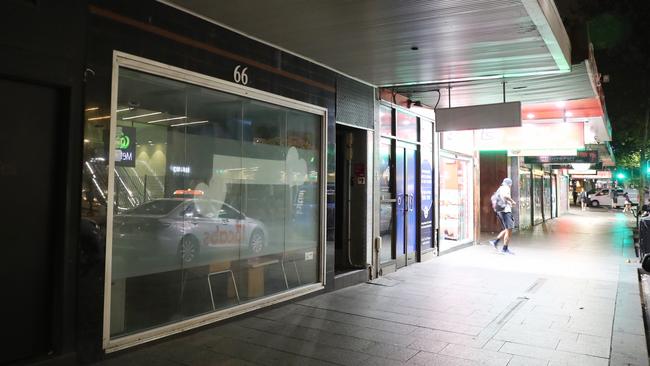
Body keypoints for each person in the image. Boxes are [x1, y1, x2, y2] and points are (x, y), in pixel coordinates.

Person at [490, 178, 517, 254]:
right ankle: (504, 249)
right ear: (510, 184)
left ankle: (496, 241)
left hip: (500, 211)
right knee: (509, 230)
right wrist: (512, 201)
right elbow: (505, 196)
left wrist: (509, 203)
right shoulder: (506, 188)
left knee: (507, 229)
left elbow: (503, 199)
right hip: (505, 211)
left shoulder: (500, 188)